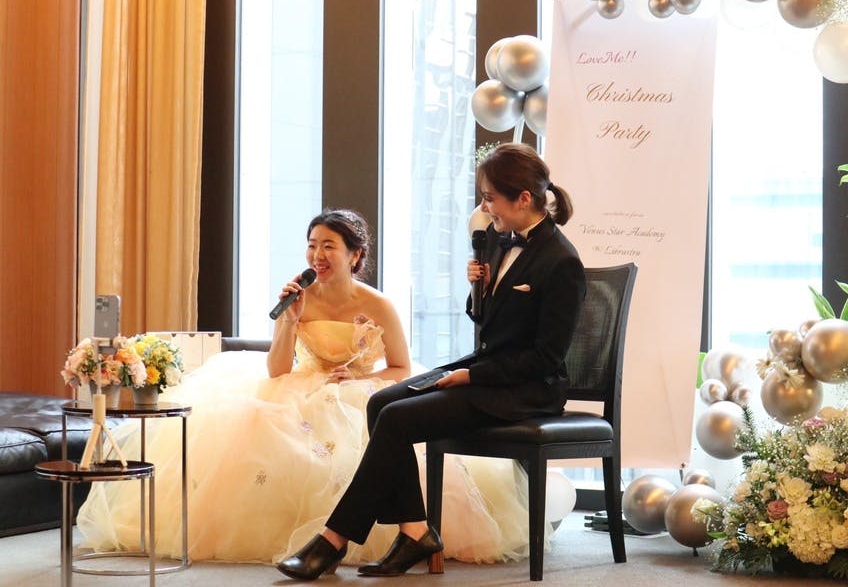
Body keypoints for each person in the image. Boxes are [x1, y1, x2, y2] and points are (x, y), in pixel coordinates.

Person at [76, 209, 536, 565]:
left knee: (377, 432)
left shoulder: (378, 304)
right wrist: (289, 322)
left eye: (329, 246)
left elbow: (400, 368)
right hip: (301, 387)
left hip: (360, 390)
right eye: (313, 245)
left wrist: (362, 378)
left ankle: (368, 535)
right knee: (258, 432)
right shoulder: (300, 298)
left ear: (355, 255)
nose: (318, 255)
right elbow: (277, 370)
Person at [277, 143, 586, 581]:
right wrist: (480, 290)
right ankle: (415, 530)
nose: (484, 208)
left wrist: (470, 375)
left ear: (523, 199)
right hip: (489, 370)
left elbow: (545, 358)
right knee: (380, 402)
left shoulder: (562, 261)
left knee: (397, 419)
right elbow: (488, 320)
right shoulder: (498, 241)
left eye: (490, 198)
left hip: (526, 389)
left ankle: (334, 538)